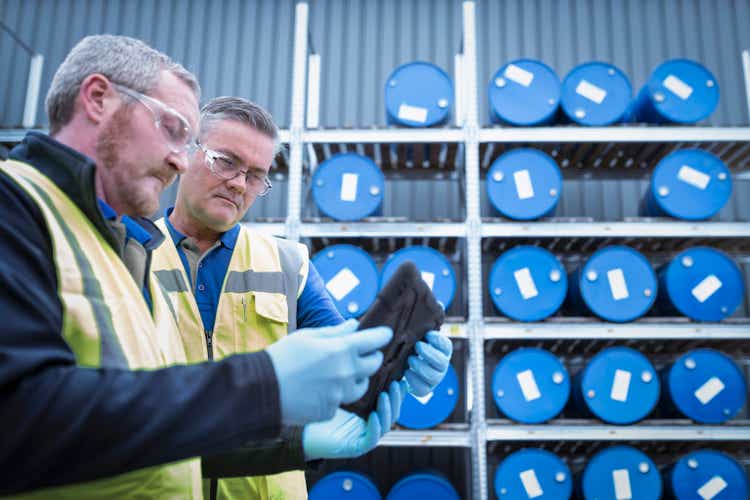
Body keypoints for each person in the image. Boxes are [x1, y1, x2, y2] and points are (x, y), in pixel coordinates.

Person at [0, 34, 404, 498]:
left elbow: (161, 430)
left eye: (256, 176)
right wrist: (259, 388)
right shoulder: (18, 209)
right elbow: (23, 418)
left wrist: (298, 441)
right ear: (98, 99)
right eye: (173, 129)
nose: (178, 156)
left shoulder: (109, 242)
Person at [152, 96, 454, 499]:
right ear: (187, 152)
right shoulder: (129, 255)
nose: (240, 184)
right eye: (225, 161)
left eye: (256, 175)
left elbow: (349, 362)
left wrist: (408, 365)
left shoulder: (287, 261)